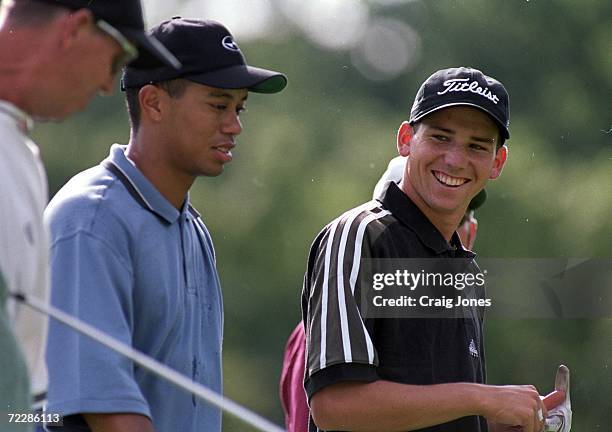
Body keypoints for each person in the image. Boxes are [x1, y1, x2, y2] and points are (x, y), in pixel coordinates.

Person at [44, 17, 286, 432]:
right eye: (218, 104)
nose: (234, 125)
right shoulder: (92, 219)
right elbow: (107, 413)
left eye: (238, 107)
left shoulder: (192, 228)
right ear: (153, 102)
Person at [302, 67, 548, 432]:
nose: (454, 159)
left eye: (477, 146)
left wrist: (503, 418)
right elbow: (335, 406)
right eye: (440, 137)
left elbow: (433, 412)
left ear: (497, 163)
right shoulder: (359, 235)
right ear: (405, 140)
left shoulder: (467, 274)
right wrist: (481, 398)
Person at [0, 0, 178, 427]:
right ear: (75, 28)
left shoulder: (20, 154)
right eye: (115, 59)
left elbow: (17, 408)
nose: (106, 85)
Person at [281, 162, 486, 432]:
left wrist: (499, 417)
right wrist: (481, 399)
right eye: (417, 216)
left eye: (460, 217)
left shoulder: (465, 289)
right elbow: (327, 412)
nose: (443, 227)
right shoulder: (323, 325)